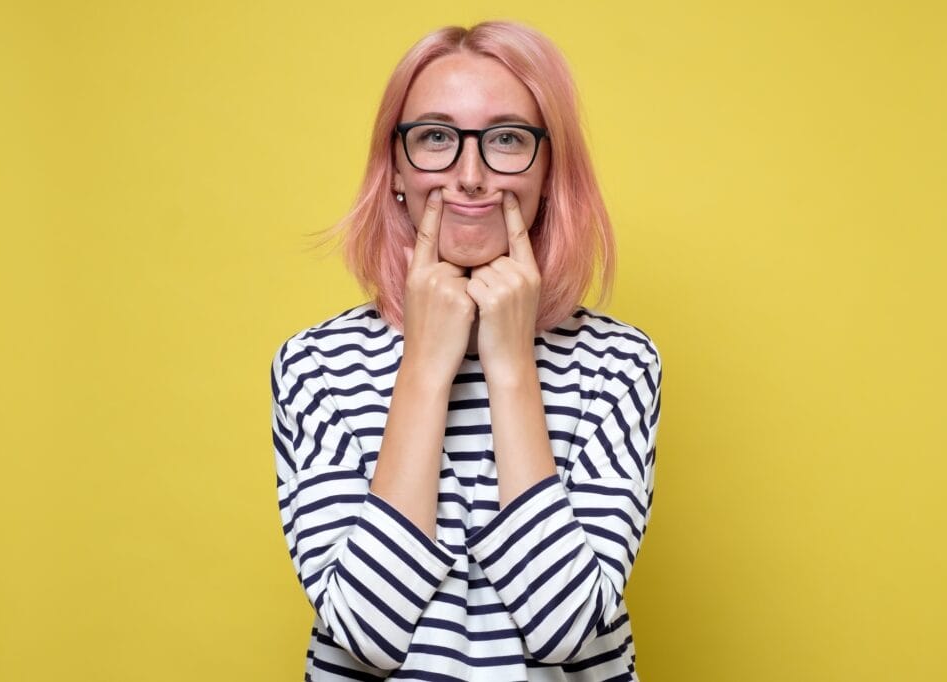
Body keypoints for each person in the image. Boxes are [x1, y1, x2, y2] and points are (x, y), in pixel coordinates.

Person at [271, 20, 662, 681]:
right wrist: (425, 366)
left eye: (507, 138)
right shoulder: (317, 368)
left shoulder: (619, 366)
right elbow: (364, 634)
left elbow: (565, 628)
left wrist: (511, 366)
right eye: (435, 138)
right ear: (395, 166)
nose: (470, 175)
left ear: (548, 170)